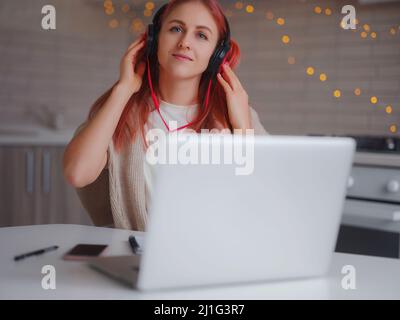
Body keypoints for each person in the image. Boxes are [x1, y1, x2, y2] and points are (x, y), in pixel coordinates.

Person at [63, 0, 268, 231]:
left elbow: (264, 199)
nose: (185, 42)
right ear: (153, 41)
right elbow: (77, 173)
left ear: (217, 54)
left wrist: (242, 126)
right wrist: (123, 90)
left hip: (215, 257)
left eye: (201, 35)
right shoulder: (121, 111)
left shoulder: (239, 115)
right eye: (176, 29)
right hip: (140, 258)